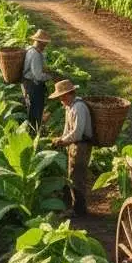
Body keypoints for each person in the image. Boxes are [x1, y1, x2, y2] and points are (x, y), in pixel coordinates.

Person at [49, 80, 94, 216]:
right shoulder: (70, 107)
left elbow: (77, 132)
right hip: (74, 144)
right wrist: (61, 139)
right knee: (72, 176)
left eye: (61, 97)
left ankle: (79, 210)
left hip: (81, 145)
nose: (60, 100)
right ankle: (77, 208)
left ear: (68, 94)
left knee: (77, 177)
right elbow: (67, 129)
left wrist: (62, 141)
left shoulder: (78, 107)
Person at [22, 29, 54, 133]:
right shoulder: (35, 54)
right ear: (39, 42)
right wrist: (50, 76)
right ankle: (34, 132)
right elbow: (38, 76)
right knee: (35, 109)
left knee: (32, 108)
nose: (45, 46)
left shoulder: (30, 49)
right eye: (44, 43)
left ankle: (33, 130)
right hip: (33, 85)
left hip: (28, 83)